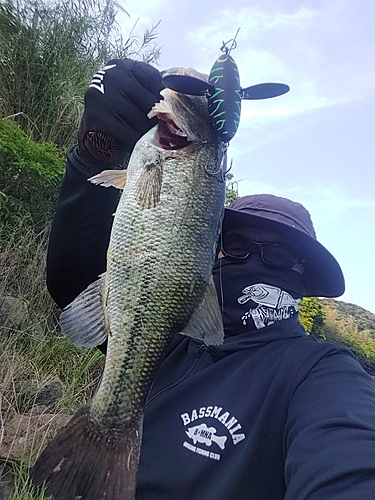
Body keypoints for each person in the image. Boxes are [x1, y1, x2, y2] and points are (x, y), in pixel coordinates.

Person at [46, 59, 375, 499]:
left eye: (279, 254)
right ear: (213, 249)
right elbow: (69, 278)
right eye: (238, 246)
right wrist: (97, 151)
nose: (255, 260)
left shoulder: (321, 374)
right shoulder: (172, 340)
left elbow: (349, 462)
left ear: (304, 277)